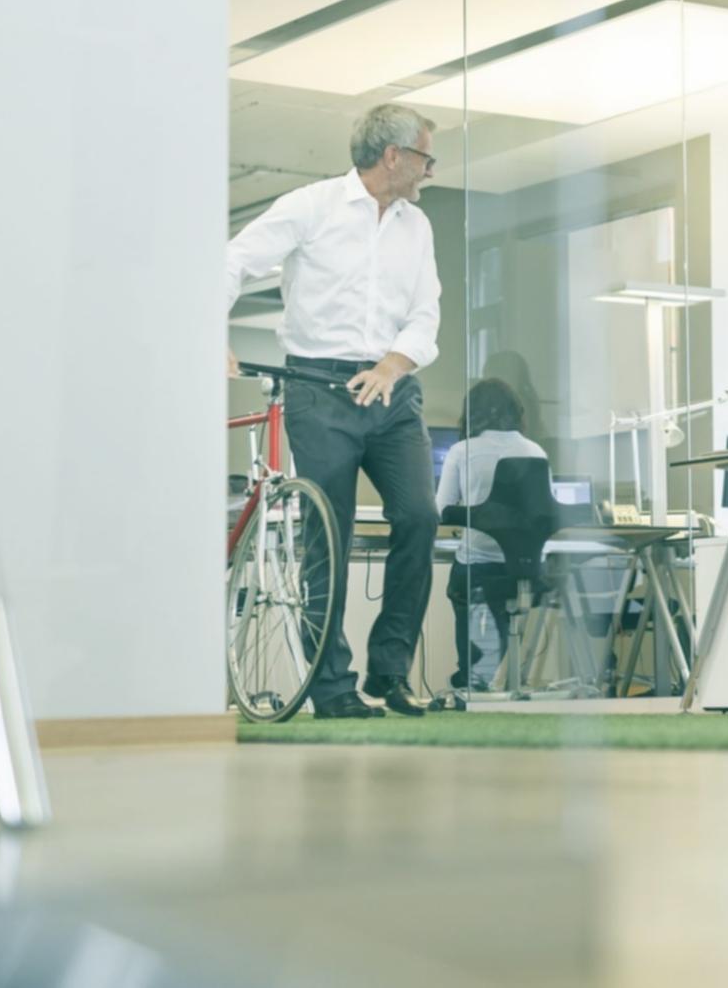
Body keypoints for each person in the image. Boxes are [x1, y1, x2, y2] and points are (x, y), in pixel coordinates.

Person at [224, 104, 442, 719]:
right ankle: (331, 687)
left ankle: (390, 672)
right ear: (393, 155)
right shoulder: (312, 206)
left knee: (420, 518)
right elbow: (233, 260)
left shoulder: (416, 226)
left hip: (392, 389)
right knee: (330, 535)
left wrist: (394, 366)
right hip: (319, 388)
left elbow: (426, 312)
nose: (431, 169)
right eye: (426, 156)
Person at [436, 378, 548, 690]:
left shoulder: (462, 451)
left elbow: (441, 509)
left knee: (459, 588)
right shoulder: (535, 451)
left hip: (476, 565)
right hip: (523, 566)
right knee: (505, 604)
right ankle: (504, 676)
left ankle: (470, 675)